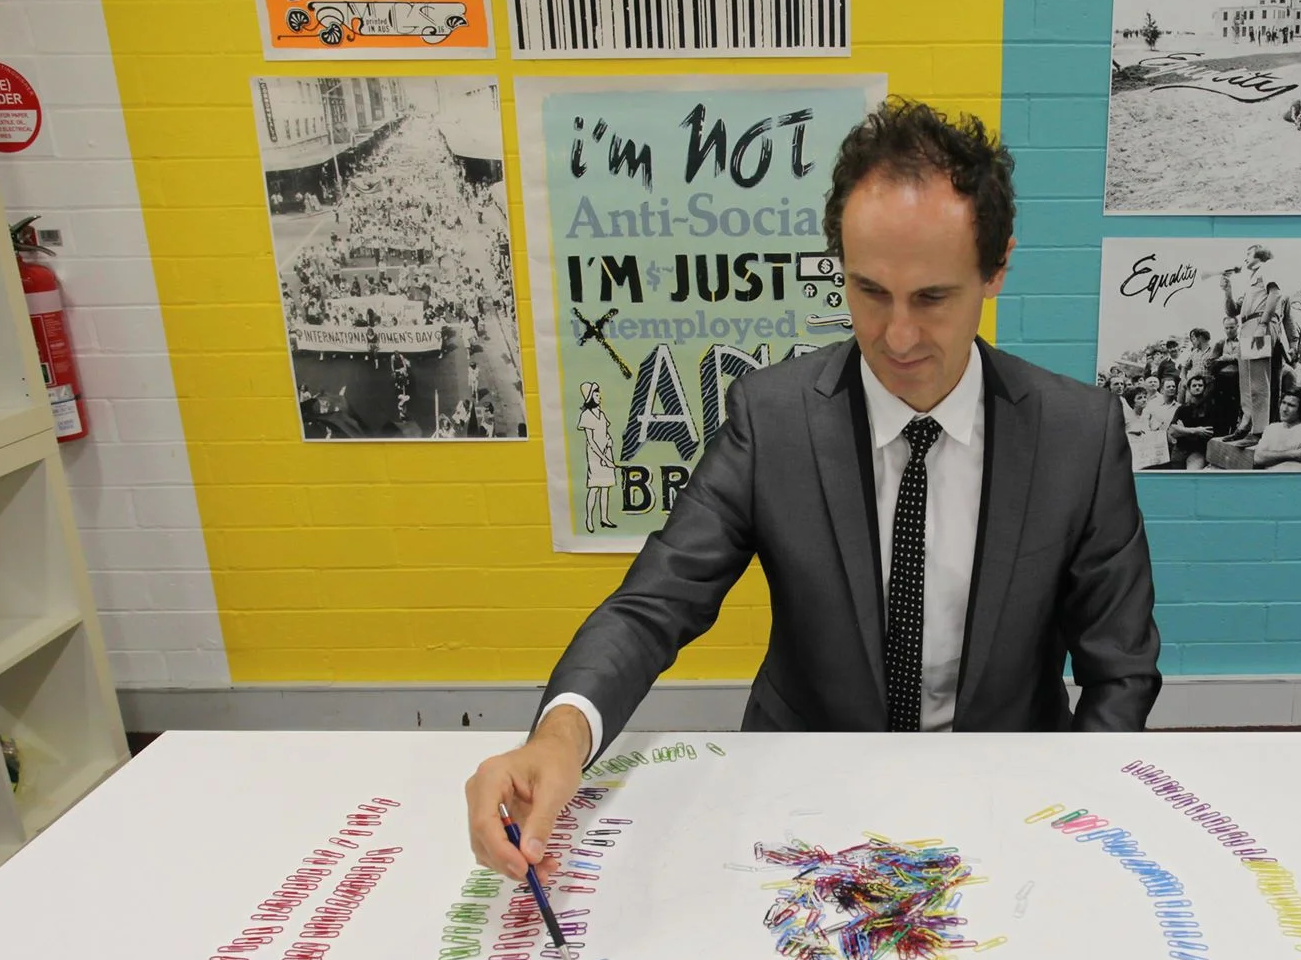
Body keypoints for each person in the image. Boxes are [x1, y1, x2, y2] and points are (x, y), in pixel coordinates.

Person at [464, 100, 1163, 882]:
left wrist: (1073, 813)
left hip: (1005, 800)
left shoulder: (1076, 435)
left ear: (996, 268)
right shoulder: (773, 420)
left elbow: (1120, 670)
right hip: (801, 802)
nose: (898, 336)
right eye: (870, 291)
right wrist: (558, 737)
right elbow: (654, 603)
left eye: (933, 297)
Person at [1222, 246, 1291, 441]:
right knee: (1246, 382)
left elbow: (1275, 294)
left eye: (1248, 253)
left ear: (1260, 255)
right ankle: (1246, 424)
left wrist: (1263, 324)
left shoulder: (1267, 268)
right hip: (1247, 326)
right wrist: (1227, 291)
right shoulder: (1252, 280)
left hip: (1259, 323)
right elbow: (1232, 311)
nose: (1245, 258)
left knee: (1259, 380)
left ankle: (1260, 430)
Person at [1167, 365, 1224, 470]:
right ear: (1189, 389)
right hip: (1179, 450)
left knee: (1192, 475)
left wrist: (1182, 430)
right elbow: (1172, 431)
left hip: (1197, 451)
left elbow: (1207, 433)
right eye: (1194, 385)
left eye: (1200, 385)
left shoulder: (1211, 409)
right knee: (1175, 477)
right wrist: (1196, 431)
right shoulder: (1182, 409)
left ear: (1204, 388)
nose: (1197, 387)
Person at [1253, 389, 1301, 471]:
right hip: (1271, 478)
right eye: (1283, 403)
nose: (1284, 409)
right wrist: (1293, 454)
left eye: (1291, 405)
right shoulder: (1271, 428)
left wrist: (1271, 456)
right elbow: (1258, 458)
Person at [578, 381, 616, 531]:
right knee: (594, 488)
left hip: (607, 452)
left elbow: (606, 433)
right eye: (596, 394)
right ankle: (589, 519)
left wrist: (609, 441)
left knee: (606, 488)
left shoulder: (601, 414)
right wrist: (604, 459)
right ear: (590, 397)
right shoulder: (586, 415)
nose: (599, 397)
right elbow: (591, 441)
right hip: (595, 456)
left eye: (599, 394)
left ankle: (604, 518)